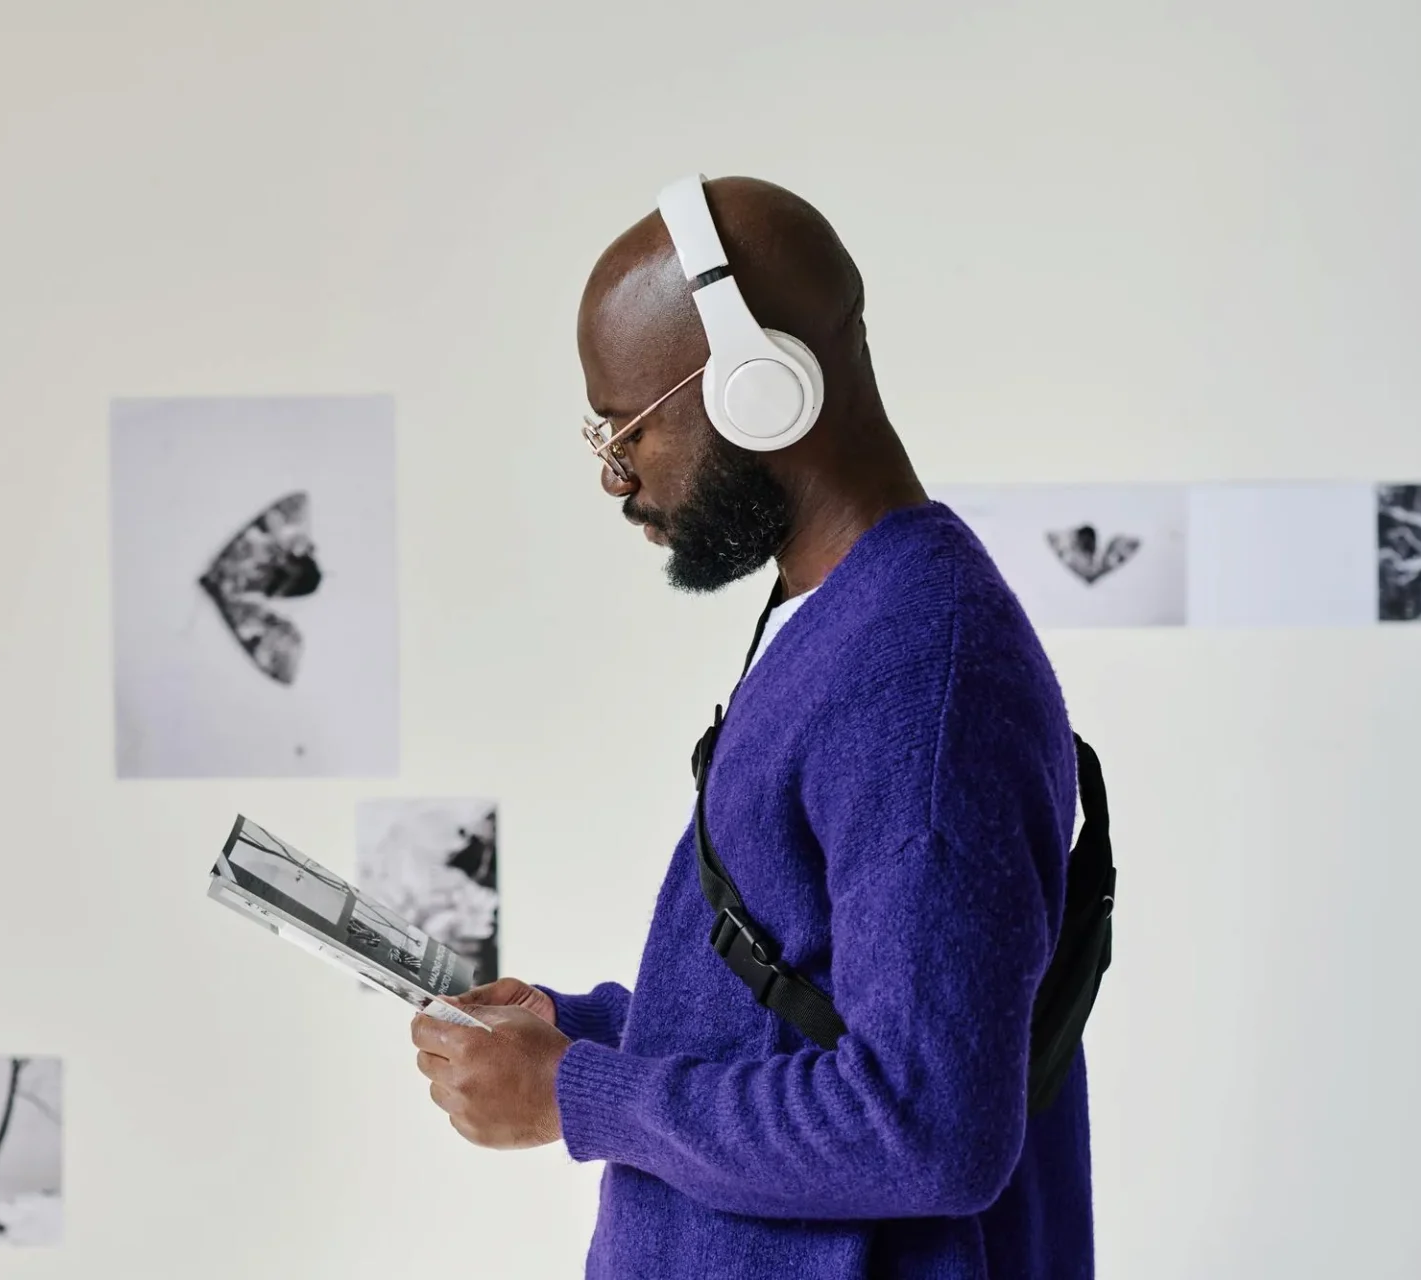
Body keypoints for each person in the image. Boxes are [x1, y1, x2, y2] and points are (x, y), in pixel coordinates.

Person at [409, 174, 1093, 1279]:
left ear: (758, 387)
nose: (615, 476)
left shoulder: (924, 674)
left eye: (627, 428)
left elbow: (927, 1127)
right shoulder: (847, 615)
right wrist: (582, 1033)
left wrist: (577, 1094)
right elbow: (812, 1010)